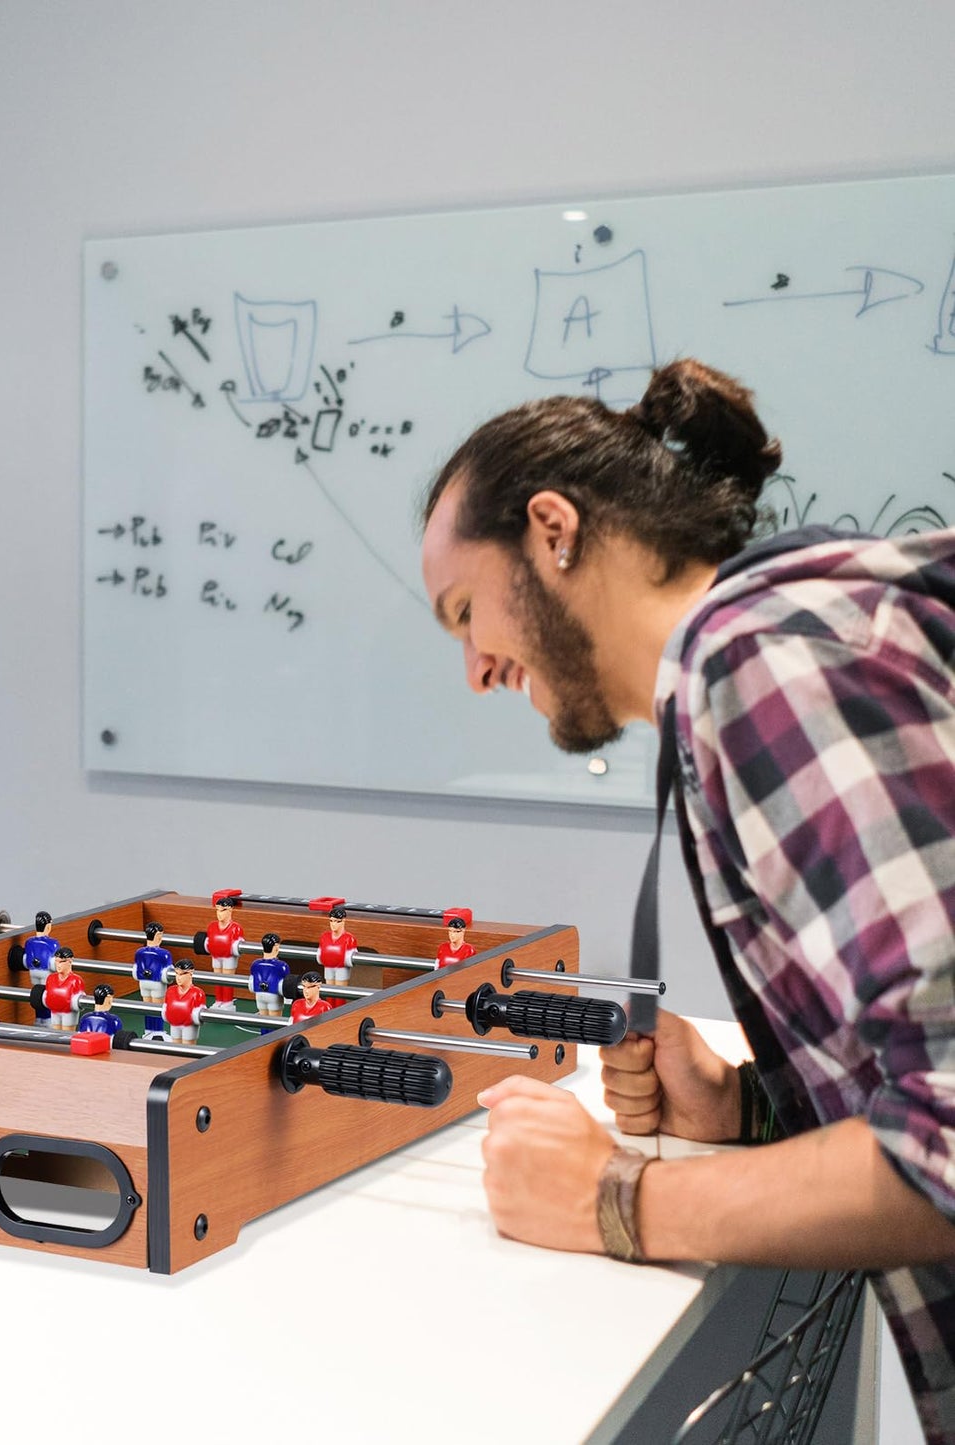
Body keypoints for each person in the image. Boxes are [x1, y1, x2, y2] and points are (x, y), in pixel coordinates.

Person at [419, 356, 955, 1442]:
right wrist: (746, 1107)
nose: (474, 667)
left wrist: (613, 1197)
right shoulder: (793, 635)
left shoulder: (758, 666)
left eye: (464, 609)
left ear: (552, 528)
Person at [43, 946, 85, 1031]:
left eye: (61, 962)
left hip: (68, 1013)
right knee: (56, 1033)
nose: (58, 965)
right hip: (54, 1011)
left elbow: (78, 1000)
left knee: (67, 1033)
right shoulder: (50, 978)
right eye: (56, 962)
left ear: (70, 961)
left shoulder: (76, 980)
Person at [249, 932, 289, 1017]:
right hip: (274, 996)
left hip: (259, 995)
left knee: (264, 1020)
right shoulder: (282, 966)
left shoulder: (255, 964)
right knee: (274, 1022)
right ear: (276, 947)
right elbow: (287, 981)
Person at [316, 906, 357, 985]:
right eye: (331, 921)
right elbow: (320, 953)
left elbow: (350, 957)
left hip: (341, 968)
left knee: (340, 991)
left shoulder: (349, 938)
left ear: (343, 921)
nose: (333, 924)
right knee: (329, 991)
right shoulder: (325, 936)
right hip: (328, 966)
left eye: (337, 921)